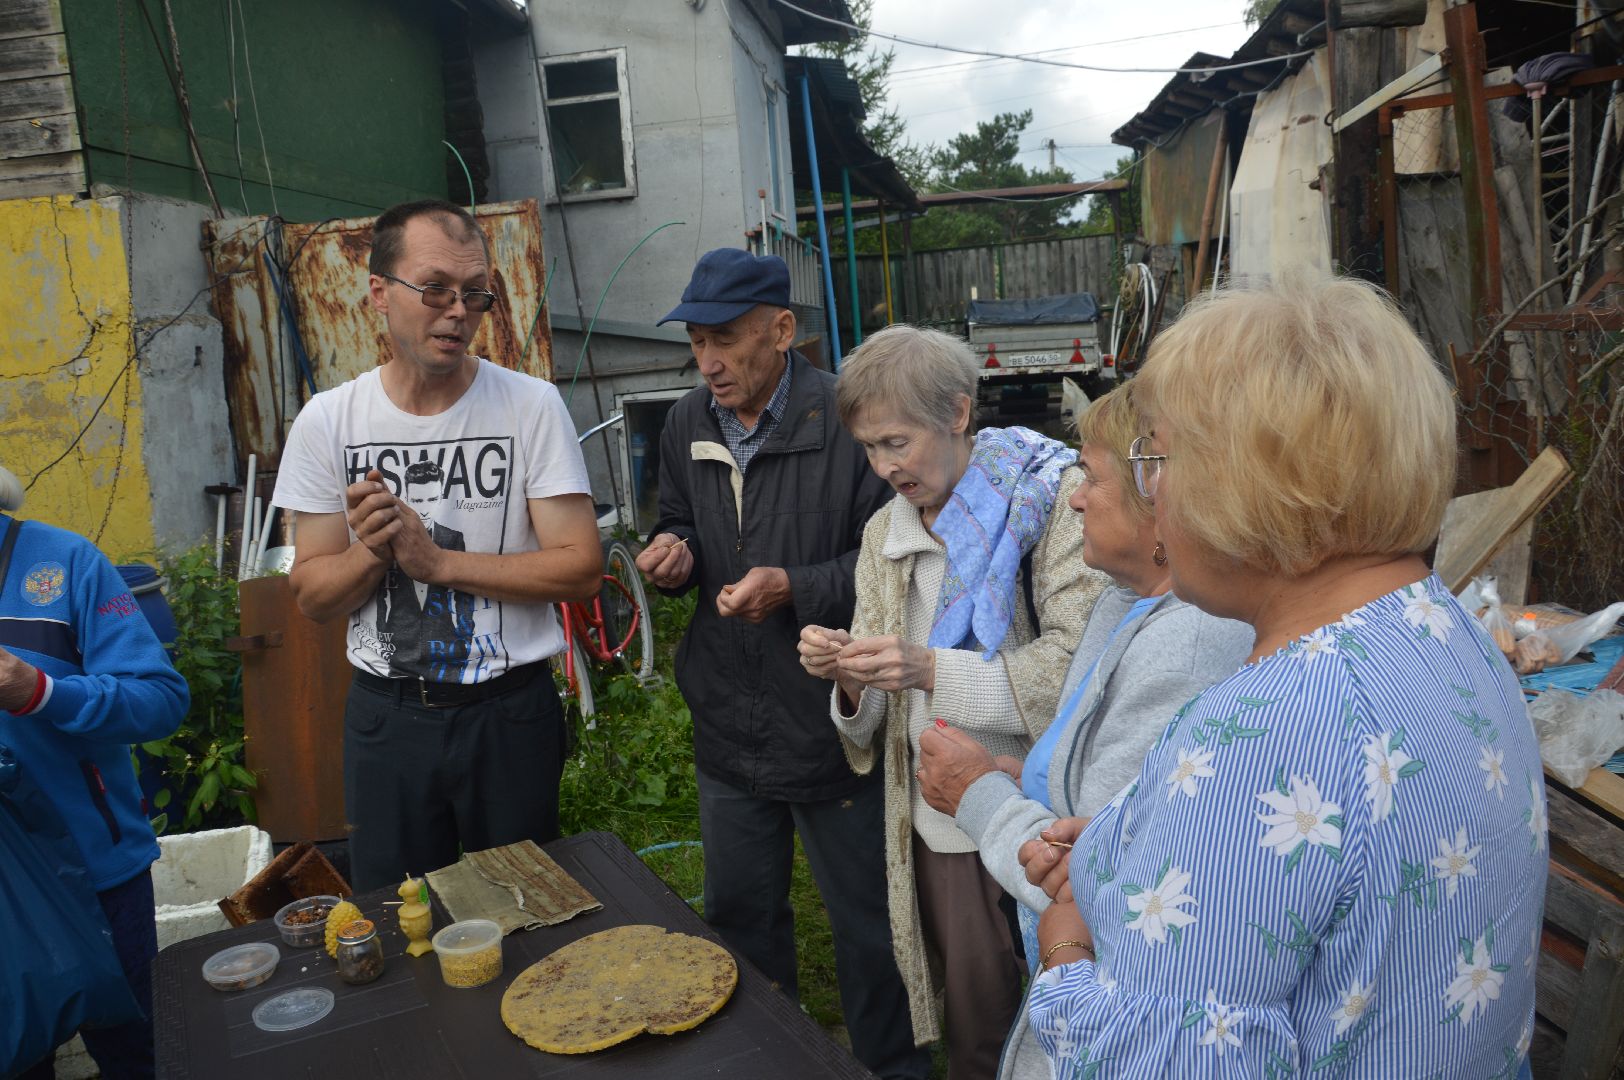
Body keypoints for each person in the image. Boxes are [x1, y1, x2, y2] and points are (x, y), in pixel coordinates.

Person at [1021, 277, 1547, 1078]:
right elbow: (1341, 879)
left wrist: (1066, 936)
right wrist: (1139, 848)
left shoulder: (1267, 733)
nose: (1151, 488)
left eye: (1157, 456)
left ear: (1251, 479)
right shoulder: (1446, 629)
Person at [634, 248, 927, 1080]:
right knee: (737, 915)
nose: (710, 362)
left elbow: (892, 563)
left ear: (783, 330)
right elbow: (682, 520)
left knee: (867, 922)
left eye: (726, 339)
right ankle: (762, 1061)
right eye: (696, 343)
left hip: (834, 721)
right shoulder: (689, 421)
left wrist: (791, 587)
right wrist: (675, 554)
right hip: (729, 716)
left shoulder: (848, 418)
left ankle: (891, 1067)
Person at [912, 383, 1252, 1080]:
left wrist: (978, 796)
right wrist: (1027, 774)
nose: (1072, 499)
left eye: (1090, 478)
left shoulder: (1185, 649)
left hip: (1107, 1012)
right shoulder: (1124, 604)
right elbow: (1101, 794)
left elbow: (1093, 886)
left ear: (1156, 498)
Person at [798, 324, 1101, 1080]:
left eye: (897, 442)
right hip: (945, 821)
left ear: (959, 415)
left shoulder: (1051, 500)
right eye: (869, 448)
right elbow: (874, 719)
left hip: (1054, 810)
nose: (884, 467)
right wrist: (847, 675)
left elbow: (1077, 666)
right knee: (981, 1018)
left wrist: (929, 667)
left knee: (1077, 1004)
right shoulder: (884, 534)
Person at [274, 199, 602, 892]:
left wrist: (437, 563)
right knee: (399, 917)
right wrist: (372, 552)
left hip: (508, 713)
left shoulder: (528, 406)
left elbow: (580, 568)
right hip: (388, 719)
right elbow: (310, 595)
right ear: (378, 293)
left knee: (524, 911)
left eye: (474, 293)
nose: (458, 311)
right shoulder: (330, 422)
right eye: (435, 290)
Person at [0, 469, 190, 1080]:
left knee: (138, 1055)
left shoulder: (64, 562)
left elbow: (159, 698)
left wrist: (41, 693)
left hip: (96, 876)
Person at [378, 460, 475, 680]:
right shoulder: (389, 532)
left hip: (448, 647)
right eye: (417, 500)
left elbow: (464, 597)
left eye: (431, 499)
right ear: (406, 497)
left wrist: (465, 637)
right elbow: (382, 596)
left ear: (441, 497)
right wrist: (382, 636)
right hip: (396, 656)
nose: (423, 508)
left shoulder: (452, 537)